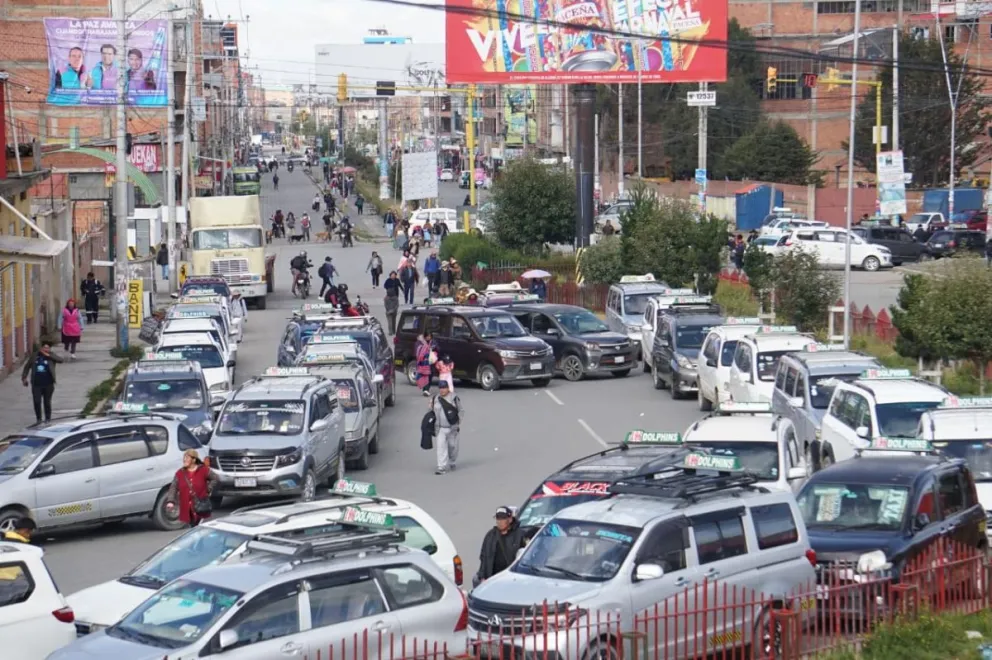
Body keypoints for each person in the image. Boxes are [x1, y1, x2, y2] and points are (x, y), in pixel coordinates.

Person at [165, 449, 218, 528]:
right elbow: (173, 487)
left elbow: (215, 478)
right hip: (186, 508)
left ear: (194, 460)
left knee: (200, 530)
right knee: (191, 530)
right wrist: (170, 501)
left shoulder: (203, 470)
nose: (184, 460)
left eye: (187, 458)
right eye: (184, 458)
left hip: (201, 507)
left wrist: (208, 489)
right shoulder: (180, 473)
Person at [475, 507, 525, 584]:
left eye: (503, 518)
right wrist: (482, 576)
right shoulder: (490, 536)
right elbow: (484, 557)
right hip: (492, 579)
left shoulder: (519, 535)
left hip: (511, 579)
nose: (500, 521)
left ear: (510, 519)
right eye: (498, 518)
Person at [21, 341, 63, 424]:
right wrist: (24, 377)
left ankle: (48, 418)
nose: (46, 349)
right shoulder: (35, 356)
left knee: (47, 402)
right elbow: (27, 367)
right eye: (45, 347)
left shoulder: (51, 356)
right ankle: (39, 419)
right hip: (36, 384)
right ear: (41, 348)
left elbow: (61, 360)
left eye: (48, 348)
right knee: (37, 401)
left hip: (48, 383)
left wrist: (49, 355)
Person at [431, 380, 464, 474]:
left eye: (444, 388)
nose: (442, 390)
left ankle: (452, 461)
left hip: (452, 428)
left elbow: (461, 410)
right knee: (441, 447)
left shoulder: (454, 398)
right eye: (440, 388)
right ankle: (441, 467)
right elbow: (432, 412)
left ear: (448, 388)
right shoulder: (436, 398)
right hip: (440, 428)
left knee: (452, 447)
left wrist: (459, 421)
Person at [415, 331, 437, 397]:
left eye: (429, 336)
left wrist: (432, 348)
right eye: (427, 336)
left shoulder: (433, 342)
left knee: (429, 377)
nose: (428, 337)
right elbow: (417, 352)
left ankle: (426, 389)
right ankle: (425, 390)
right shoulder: (420, 343)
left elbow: (438, 348)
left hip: (430, 363)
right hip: (423, 363)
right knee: (423, 376)